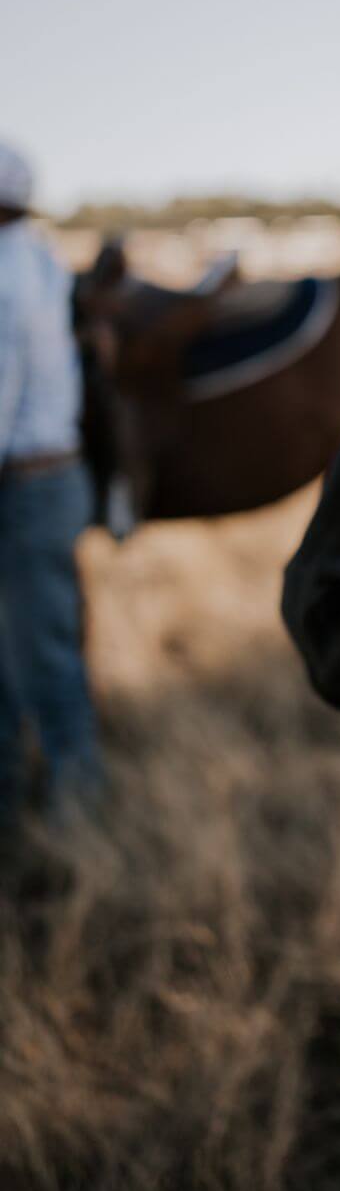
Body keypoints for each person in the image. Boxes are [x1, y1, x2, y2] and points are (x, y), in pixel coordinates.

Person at [0, 140, 102, 845]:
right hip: (51, 478)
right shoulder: (36, 256)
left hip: (25, 486)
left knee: (39, 654)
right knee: (43, 646)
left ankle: (72, 808)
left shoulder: (7, 274)